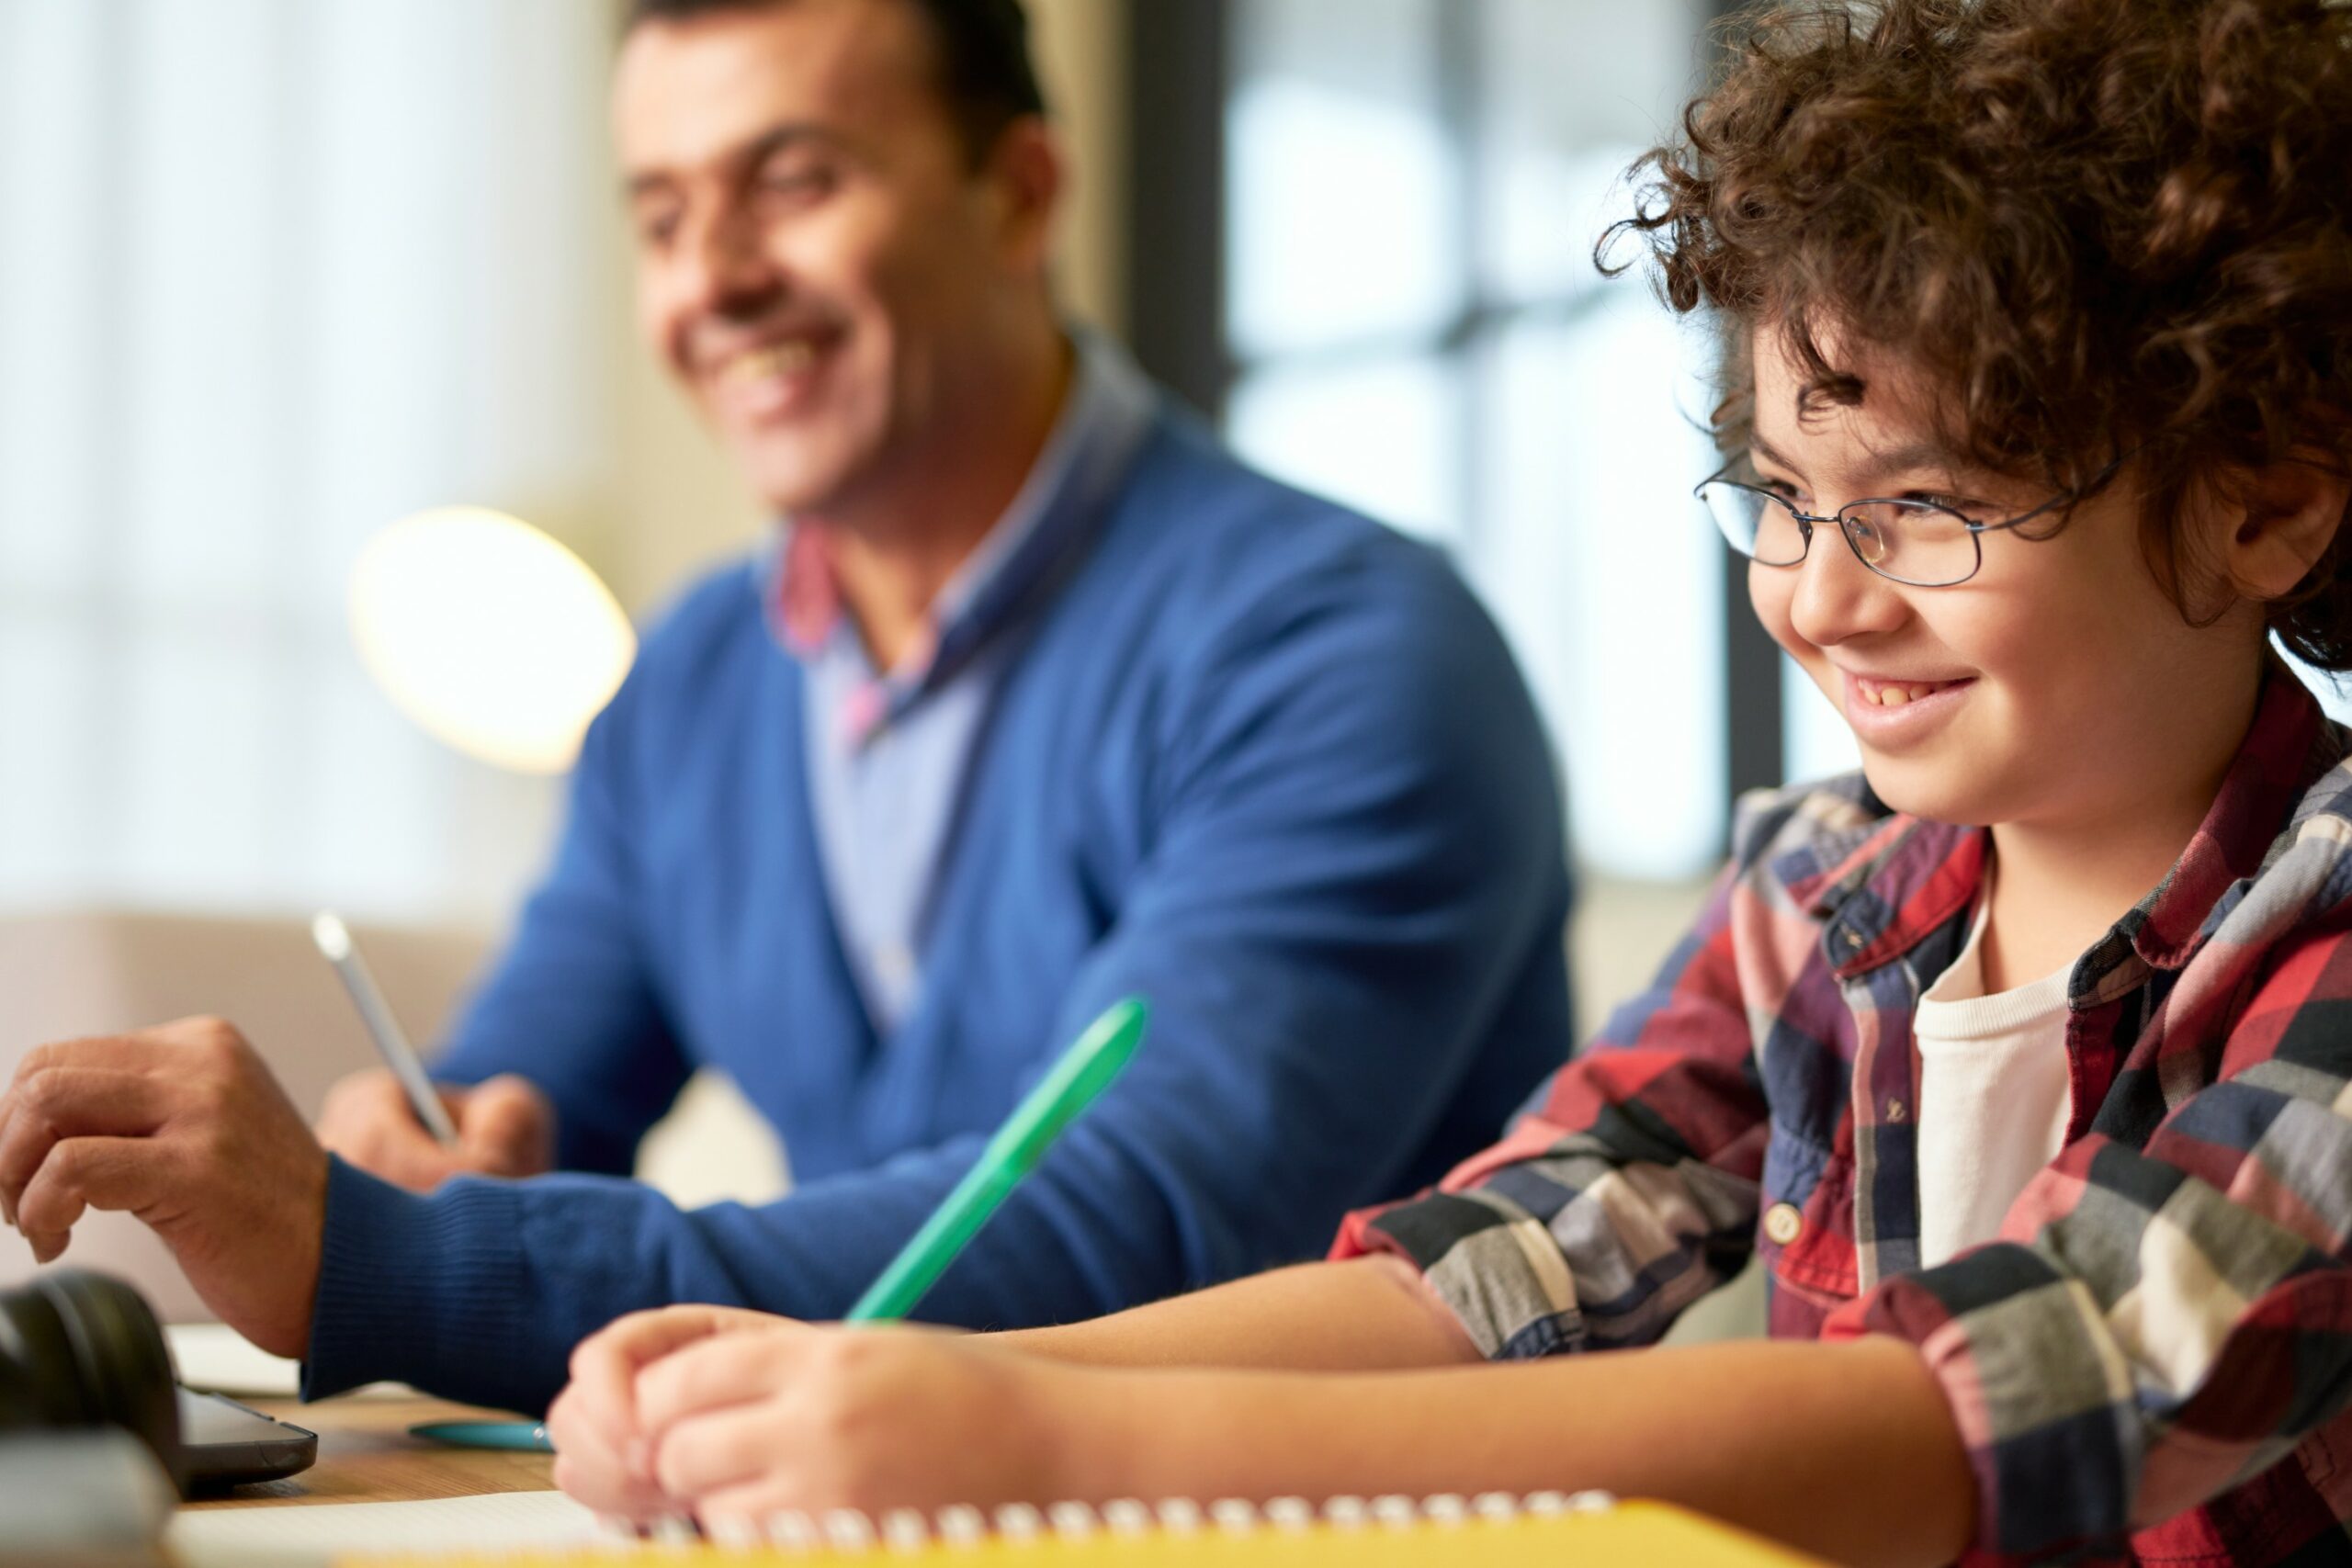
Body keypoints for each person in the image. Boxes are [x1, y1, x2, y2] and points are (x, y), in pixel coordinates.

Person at [540, 0, 2352, 1562]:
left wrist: (1058, 1454)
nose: (1817, 592)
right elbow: (1488, 1266)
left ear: (2261, 496)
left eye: (1925, 506)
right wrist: (861, 1379)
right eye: (1782, 500)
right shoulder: (1820, 890)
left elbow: (1955, 1423)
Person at [0, 0, 1571, 1414]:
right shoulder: (689, 683)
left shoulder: (1347, 649)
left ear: (1019, 194)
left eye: (795, 183)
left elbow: (1139, 1229)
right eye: (665, 217)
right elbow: (526, 1084)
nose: (717, 280)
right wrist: (454, 1143)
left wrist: (386, 1257)